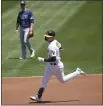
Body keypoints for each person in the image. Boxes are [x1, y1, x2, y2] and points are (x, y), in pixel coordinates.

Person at [30, 30, 86, 102]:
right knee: (44, 80)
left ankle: (77, 72)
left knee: (63, 80)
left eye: (48, 37)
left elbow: (53, 59)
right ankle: (38, 96)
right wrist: (58, 56)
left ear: (52, 37)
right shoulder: (56, 42)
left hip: (57, 67)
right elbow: (61, 49)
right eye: (46, 36)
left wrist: (42, 60)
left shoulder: (51, 46)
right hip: (50, 67)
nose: (47, 38)